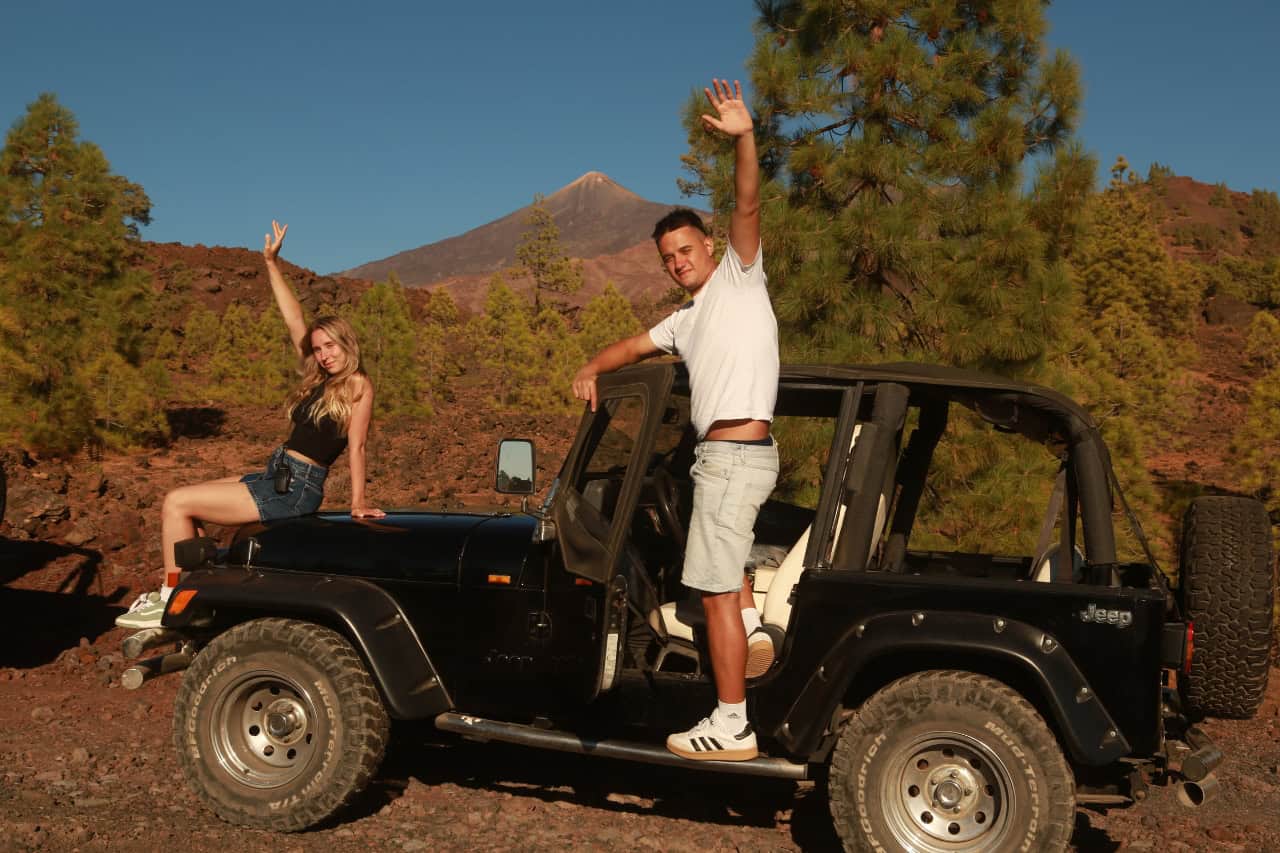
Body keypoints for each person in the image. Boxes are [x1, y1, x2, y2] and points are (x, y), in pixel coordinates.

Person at [572, 79, 779, 762]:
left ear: (710, 245)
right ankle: (749, 631)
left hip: (735, 454)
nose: (677, 262)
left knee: (712, 591)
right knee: (718, 579)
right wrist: (591, 367)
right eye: (667, 258)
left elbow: (747, 202)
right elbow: (631, 348)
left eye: (685, 249)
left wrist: (745, 137)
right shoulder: (685, 320)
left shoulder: (740, 278)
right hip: (721, 459)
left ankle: (732, 722)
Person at [116, 221, 386, 630]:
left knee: (176, 502)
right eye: (318, 348)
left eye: (330, 346)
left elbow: (358, 446)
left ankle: (171, 600)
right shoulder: (320, 377)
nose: (323, 355)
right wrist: (271, 263)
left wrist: (358, 501)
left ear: (346, 343)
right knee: (186, 507)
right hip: (276, 475)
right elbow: (294, 319)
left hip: (295, 489)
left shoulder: (358, 385)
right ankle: (197, 593)